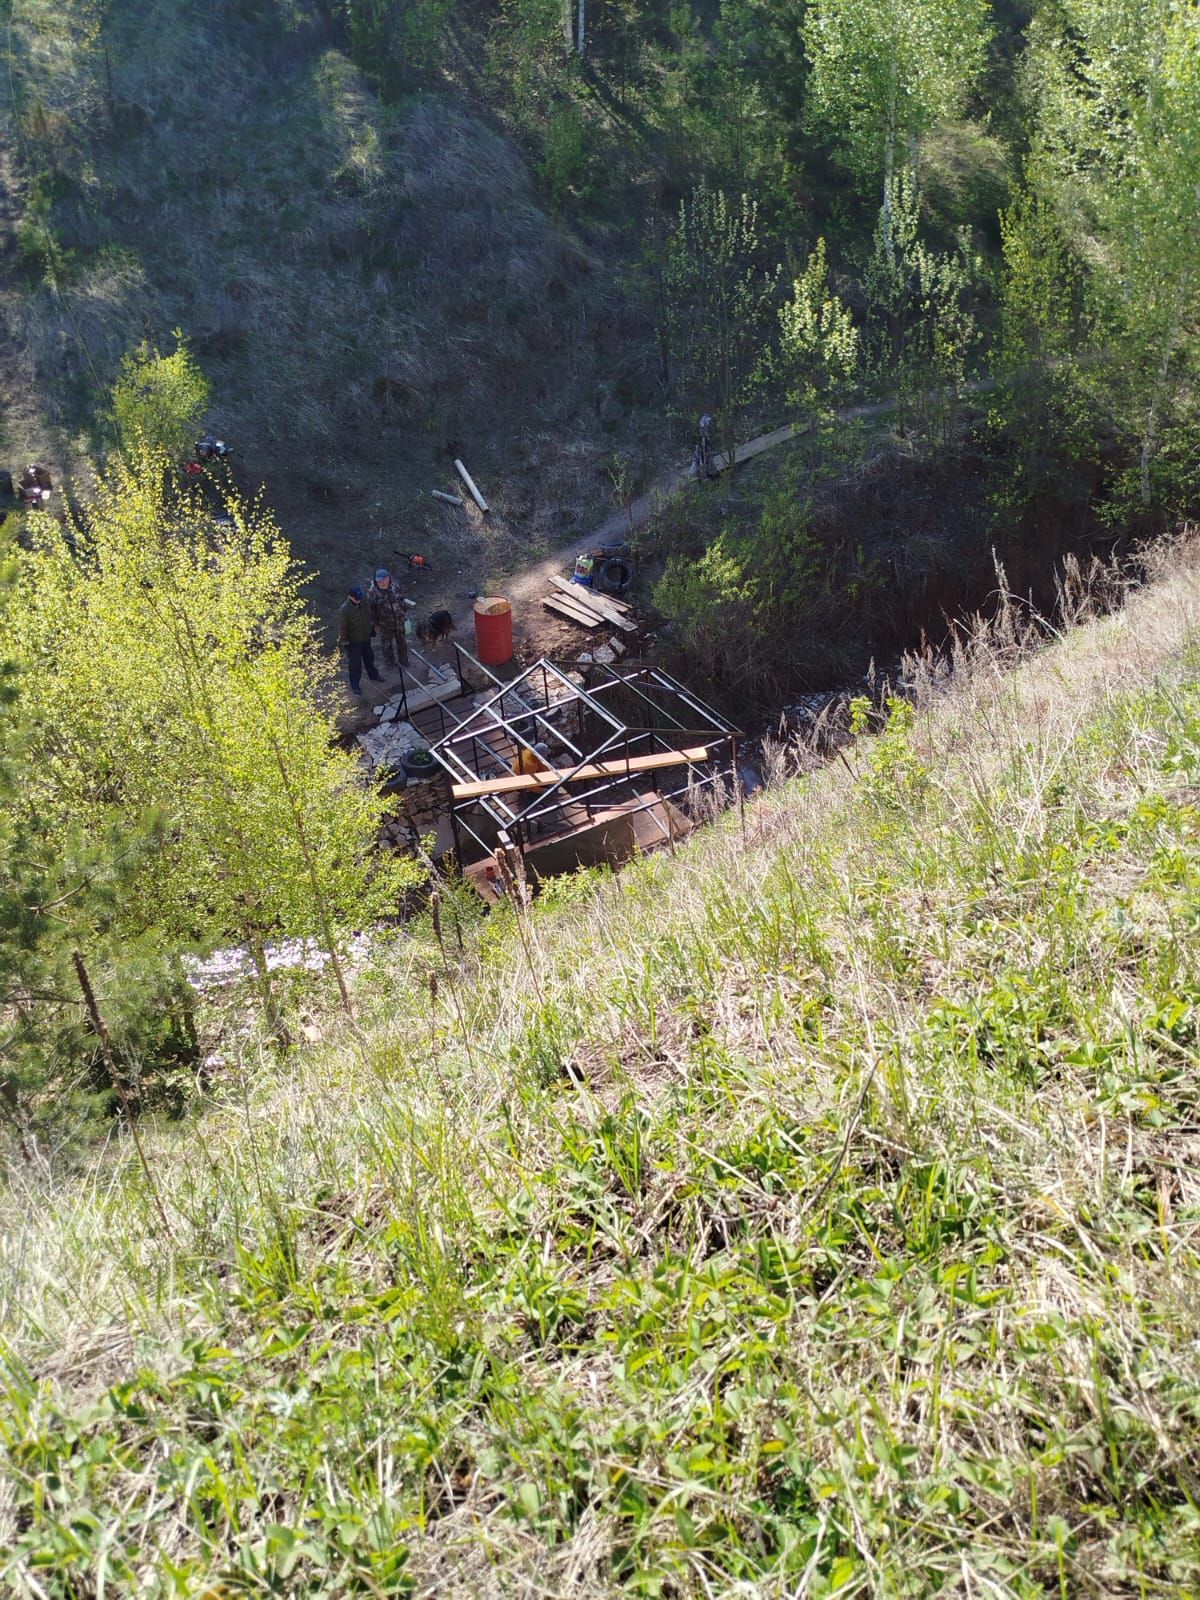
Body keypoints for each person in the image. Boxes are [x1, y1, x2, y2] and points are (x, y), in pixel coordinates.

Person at [336, 584, 383, 698]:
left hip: (365, 637)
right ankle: (355, 684)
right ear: (350, 597)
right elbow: (343, 628)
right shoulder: (344, 610)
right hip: (354, 640)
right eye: (356, 599)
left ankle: (374, 675)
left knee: (369, 657)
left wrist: (371, 629)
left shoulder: (364, 602)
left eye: (360, 598)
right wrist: (345, 643)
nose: (359, 600)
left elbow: (368, 616)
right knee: (355, 664)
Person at [367, 566, 409, 672]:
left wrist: (404, 613)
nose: (381, 583)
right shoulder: (373, 592)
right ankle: (390, 664)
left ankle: (404, 661)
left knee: (402, 642)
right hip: (384, 625)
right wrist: (375, 624)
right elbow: (371, 610)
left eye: (383, 580)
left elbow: (402, 600)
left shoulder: (395, 586)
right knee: (387, 645)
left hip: (399, 621)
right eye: (379, 581)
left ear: (388, 579)